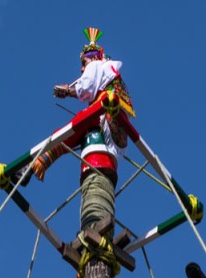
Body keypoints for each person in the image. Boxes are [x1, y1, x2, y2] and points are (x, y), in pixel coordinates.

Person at [31, 27, 134, 231]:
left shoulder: (97, 66)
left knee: (76, 125)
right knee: (79, 129)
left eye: (83, 63)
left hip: (107, 112)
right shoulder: (109, 71)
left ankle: (44, 157)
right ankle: (43, 159)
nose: (81, 69)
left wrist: (67, 91)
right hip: (113, 125)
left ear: (93, 58)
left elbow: (85, 87)